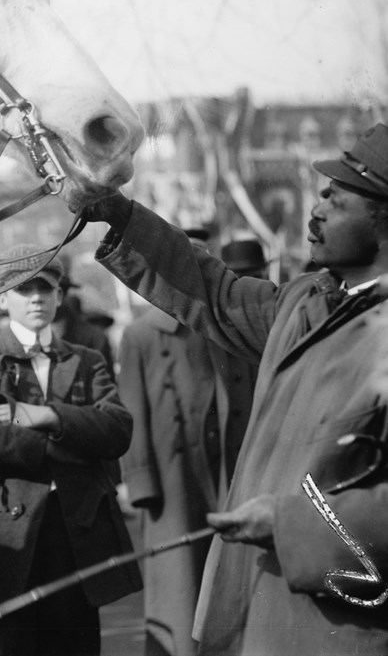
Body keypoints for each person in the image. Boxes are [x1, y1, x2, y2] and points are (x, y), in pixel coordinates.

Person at [87, 122, 388, 655]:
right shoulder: (306, 301)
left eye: (337, 202)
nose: (315, 211)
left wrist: (290, 523)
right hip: (253, 614)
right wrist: (118, 212)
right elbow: (215, 292)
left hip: (337, 631)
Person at [0, 246, 139, 656]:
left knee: (74, 643)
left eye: (46, 288)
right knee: (5, 645)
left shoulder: (85, 359)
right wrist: (63, 442)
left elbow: (118, 429)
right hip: (5, 531)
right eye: (24, 289)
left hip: (75, 530)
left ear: (59, 295)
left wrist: (48, 416)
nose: (36, 298)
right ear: (2, 299)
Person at [116, 228, 256, 656]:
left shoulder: (227, 329)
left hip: (232, 469)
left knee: (238, 578)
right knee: (180, 585)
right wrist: (142, 485)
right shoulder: (141, 336)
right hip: (175, 480)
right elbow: (133, 412)